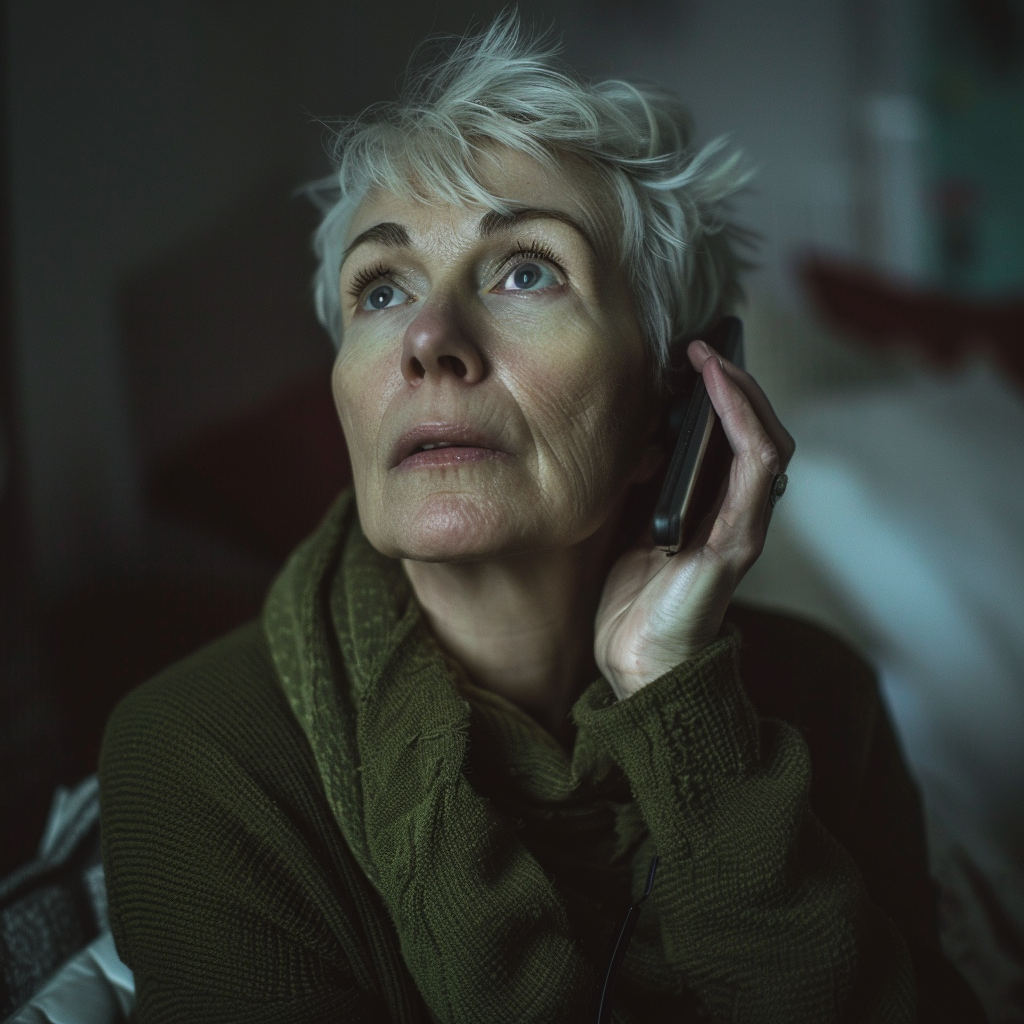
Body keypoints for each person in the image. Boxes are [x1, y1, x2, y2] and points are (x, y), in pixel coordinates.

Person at [98, 14, 985, 1023]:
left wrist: (677, 706)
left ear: (671, 405)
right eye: (380, 289)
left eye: (526, 271)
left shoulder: (821, 702)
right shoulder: (200, 755)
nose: (429, 339)